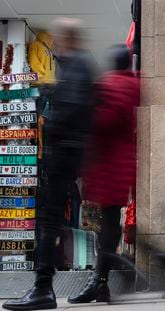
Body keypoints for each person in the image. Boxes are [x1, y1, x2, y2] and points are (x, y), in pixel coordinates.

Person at [3, 18, 95, 311]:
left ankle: (43, 288)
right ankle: (43, 286)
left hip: (62, 157)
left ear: (66, 38)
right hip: (65, 156)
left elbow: (73, 110)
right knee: (48, 222)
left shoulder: (76, 65)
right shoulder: (77, 65)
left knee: (47, 222)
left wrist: (53, 132)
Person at [67, 44, 140, 304]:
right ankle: (102, 284)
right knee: (109, 227)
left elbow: (102, 123)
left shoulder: (111, 86)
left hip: (108, 165)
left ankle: (99, 280)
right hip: (120, 166)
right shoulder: (132, 85)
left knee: (107, 230)